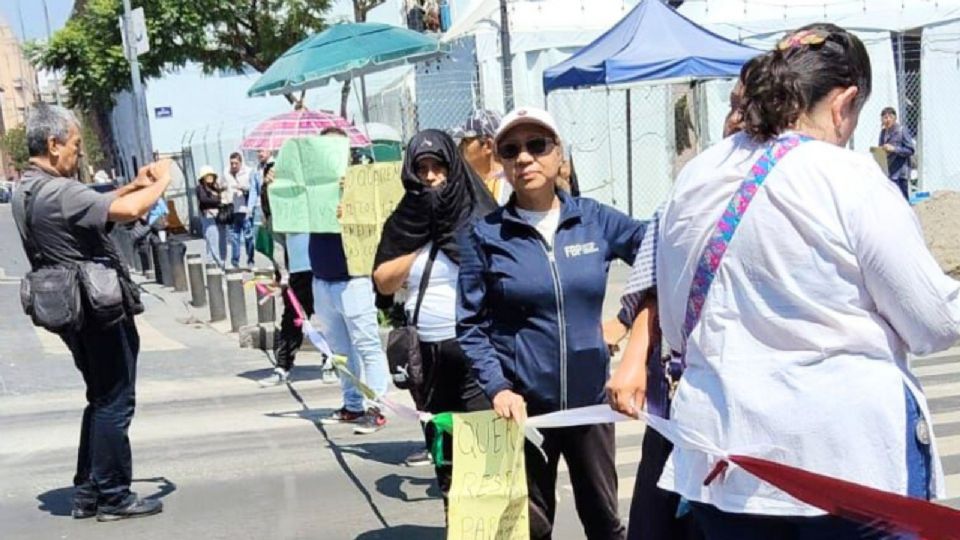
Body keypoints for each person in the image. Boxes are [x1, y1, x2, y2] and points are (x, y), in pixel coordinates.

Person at [656, 24, 957, 537]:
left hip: (725, 464)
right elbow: (933, 322)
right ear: (845, 102)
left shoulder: (694, 179)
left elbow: (676, 325)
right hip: (847, 467)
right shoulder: (848, 176)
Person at [457, 106, 645, 540]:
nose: (524, 158)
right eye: (511, 149)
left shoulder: (594, 220)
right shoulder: (485, 235)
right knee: (531, 528)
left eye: (537, 145)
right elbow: (470, 325)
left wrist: (625, 318)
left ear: (559, 155)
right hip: (525, 413)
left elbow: (659, 254)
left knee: (603, 521)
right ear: (501, 163)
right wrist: (498, 387)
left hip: (590, 406)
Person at [11, 104, 172, 521]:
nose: (78, 154)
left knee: (100, 398)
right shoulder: (60, 191)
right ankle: (115, 496)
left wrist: (131, 184)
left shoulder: (27, 188)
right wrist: (162, 182)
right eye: (76, 145)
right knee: (116, 400)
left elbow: (91, 203)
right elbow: (129, 212)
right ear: (53, 144)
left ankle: (88, 491)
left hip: (69, 308)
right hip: (97, 309)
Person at [373, 129, 496, 504]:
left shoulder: (478, 212)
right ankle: (456, 521)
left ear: (451, 168)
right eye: (421, 168)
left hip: (477, 351)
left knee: (482, 449)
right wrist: (422, 239)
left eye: (437, 167)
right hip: (427, 356)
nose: (429, 177)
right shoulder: (405, 220)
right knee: (444, 449)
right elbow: (383, 281)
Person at [311, 127, 390, 434]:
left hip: (354, 278)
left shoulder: (362, 182)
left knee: (367, 344)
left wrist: (350, 200)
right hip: (322, 277)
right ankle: (352, 404)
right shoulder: (314, 187)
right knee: (339, 349)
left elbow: (379, 216)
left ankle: (376, 407)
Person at [452, 109, 513, 204]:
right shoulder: (469, 183)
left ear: (488, 145)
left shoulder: (506, 189)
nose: (461, 147)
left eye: (467, 141)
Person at [222, 151, 255, 268]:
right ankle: (234, 262)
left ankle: (250, 260)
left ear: (241, 162)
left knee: (248, 236)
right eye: (232, 163)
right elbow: (224, 186)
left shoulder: (248, 172)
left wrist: (244, 189)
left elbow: (254, 189)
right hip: (233, 209)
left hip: (245, 209)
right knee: (234, 237)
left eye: (236, 163)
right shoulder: (226, 172)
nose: (234, 166)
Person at [879, 106, 916, 200]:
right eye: (884, 118)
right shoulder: (883, 132)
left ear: (894, 118)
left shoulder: (901, 131)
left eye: (889, 117)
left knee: (903, 199)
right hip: (888, 170)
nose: (886, 120)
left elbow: (910, 150)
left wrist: (894, 149)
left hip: (900, 172)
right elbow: (880, 147)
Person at [196, 165, 227, 267]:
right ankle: (218, 263)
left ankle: (215, 263)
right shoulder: (200, 188)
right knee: (212, 239)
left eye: (211, 175)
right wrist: (218, 201)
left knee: (219, 239)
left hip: (219, 216)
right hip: (208, 216)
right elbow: (204, 199)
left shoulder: (215, 187)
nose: (210, 177)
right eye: (207, 175)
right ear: (203, 178)